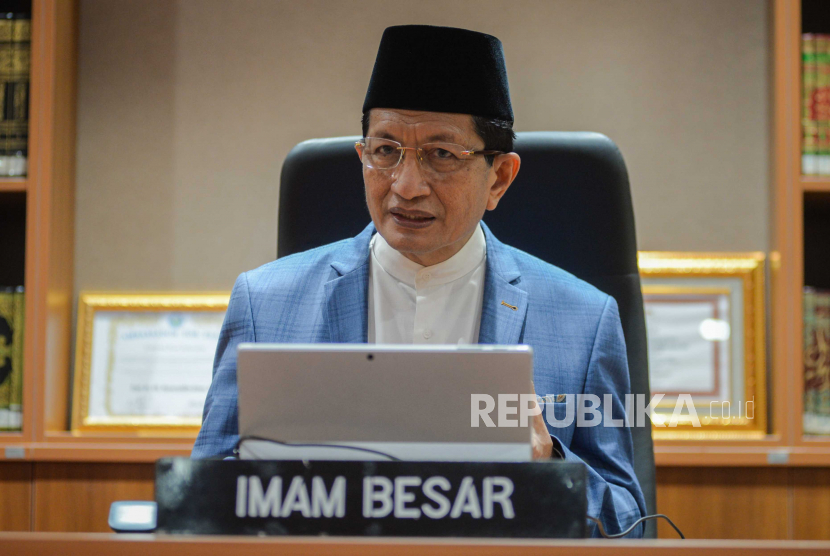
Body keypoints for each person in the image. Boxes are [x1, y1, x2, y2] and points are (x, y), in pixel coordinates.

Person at [193, 24, 646, 537]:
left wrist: (551, 468)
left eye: (442, 155)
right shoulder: (265, 303)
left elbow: (630, 524)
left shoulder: (585, 320)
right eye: (385, 151)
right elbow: (202, 499)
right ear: (362, 157)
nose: (406, 187)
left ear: (499, 178)